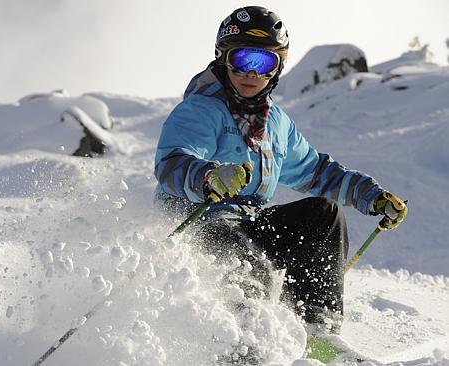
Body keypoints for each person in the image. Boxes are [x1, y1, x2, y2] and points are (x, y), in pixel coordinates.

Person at [153, 5, 407, 345]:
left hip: (247, 222)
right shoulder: (201, 110)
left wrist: (369, 195)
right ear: (223, 58)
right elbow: (170, 162)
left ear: (278, 68)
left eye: (265, 63)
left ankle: (318, 334)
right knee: (240, 251)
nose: (252, 73)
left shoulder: (276, 124)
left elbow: (316, 171)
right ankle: (245, 345)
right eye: (243, 59)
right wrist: (208, 177)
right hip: (197, 226)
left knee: (323, 215)